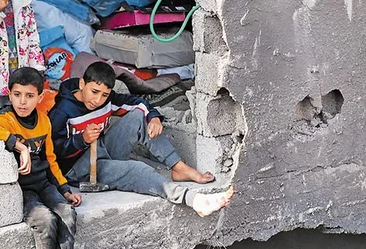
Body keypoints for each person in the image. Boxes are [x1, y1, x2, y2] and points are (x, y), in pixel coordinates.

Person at [49, 61, 234, 217]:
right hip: (78, 169)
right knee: (136, 169)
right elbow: (53, 152)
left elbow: (138, 103)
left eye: (104, 94)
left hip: (101, 150)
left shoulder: (107, 100)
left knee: (139, 116)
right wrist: (81, 139)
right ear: (82, 84)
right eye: (94, 91)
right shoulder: (62, 111)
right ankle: (190, 199)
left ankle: (179, 168)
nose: (97, 100)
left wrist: (153, 117)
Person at [0, 67, 88, 249]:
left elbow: (51, 159)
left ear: (40, 97)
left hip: (44, 184)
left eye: (29, 96)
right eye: (17, 95)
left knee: (68, 214)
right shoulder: (6, 119)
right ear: (9, 94)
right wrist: (19, 145)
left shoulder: (44, 120)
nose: (22, 101)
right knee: (45, 220)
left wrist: (64, 189)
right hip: (23, 190)